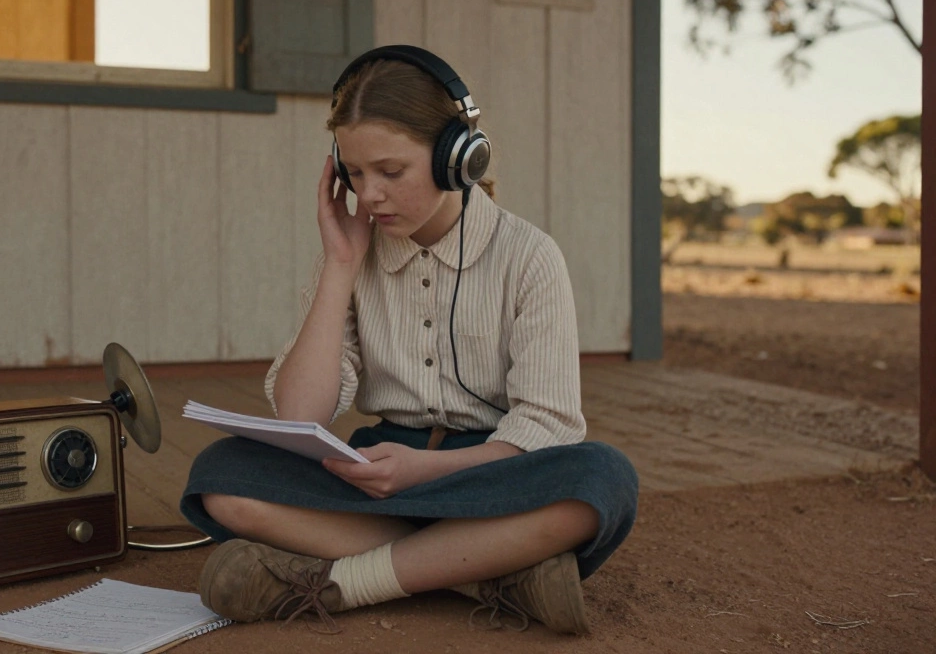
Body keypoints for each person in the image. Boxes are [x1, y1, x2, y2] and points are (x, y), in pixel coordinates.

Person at [179, 45, 639, 635]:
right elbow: (302, 415)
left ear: (458, 159)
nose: (369, 195)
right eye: (355, 173)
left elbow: (547, 427)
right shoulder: (347, 257)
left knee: (600, 480)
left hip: (493, 473)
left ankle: (346, 585)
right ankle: (489, 569)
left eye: (390, 172)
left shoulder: (529, 257)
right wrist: (340, 265)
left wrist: (426, 472)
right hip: (377, 473)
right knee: (222, 479)